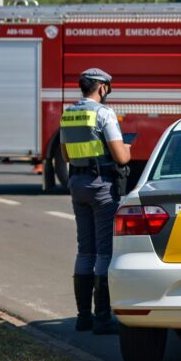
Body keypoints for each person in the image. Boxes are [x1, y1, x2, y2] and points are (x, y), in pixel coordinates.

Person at [60, 68, 131, 334]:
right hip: (101, 186)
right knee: (104, 252)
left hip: (77, 183)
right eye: (107, 88)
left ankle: (83, 317)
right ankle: (102, 319)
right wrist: (128, 149)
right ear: (101, 88)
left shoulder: (69, 114)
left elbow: (66, 156)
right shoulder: (104, 113)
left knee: (85, 251)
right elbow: (121, 157)